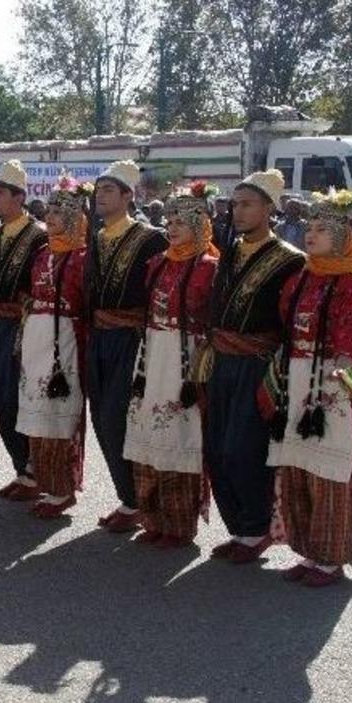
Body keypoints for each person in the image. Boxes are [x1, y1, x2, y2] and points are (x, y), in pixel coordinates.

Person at [266, 190, 352, 586]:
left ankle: (331, 558)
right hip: (296, 375)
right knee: (297, 463)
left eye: (322, 229)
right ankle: (308, 551)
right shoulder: (302, 276)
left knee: (329, 466)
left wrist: (342, 363)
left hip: (332, 380)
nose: (311, 234)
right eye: (309, 227)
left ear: (344, 234)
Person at [205, 169, 305, 564]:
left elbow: (288, 321)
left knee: (243, 448)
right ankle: (242, 529)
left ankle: (258, 526)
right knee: (216, 447)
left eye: (247, 204)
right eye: (236, 204)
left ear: (269, 208)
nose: (239, 211)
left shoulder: (289, 261)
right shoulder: (229, 250)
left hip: (258, 365)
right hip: (222, 360)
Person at [122, 182, 220, 547]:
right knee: (148, 431)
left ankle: (179, 525)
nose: (172, 226)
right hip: (152, 355)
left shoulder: (210, 267)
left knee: (181, 433)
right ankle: (154, 517)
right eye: (170, 219)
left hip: (185, 359)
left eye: (181, 220)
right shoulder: (157, 263)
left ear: (200, 223)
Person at [86, 160, 167, 533]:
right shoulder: (97, 237)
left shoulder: (151, 239)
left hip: (132, 340)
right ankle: (129, 498)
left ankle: (143, 500)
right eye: (98, 190)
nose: (99, 196)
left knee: (120, 418)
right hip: (99, 337)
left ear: (128, 196)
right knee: (101, 417)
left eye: (108, 190)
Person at [17, 176, 90, 518]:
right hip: (37, 335)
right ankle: (43, 482)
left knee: (58, 413)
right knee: (35, 411)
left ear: (77, 216)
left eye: (61, 211)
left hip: (65, 340)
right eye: (51, 209)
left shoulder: (82, 257)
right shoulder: (43, 252)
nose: (52, 216)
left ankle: (62, 490)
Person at [0, 160, 49, 499]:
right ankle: (22, 469)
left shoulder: (38, 235)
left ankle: (34, 470)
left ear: (19, 196)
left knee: (15, 399)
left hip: (21, 326)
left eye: (0, 194)